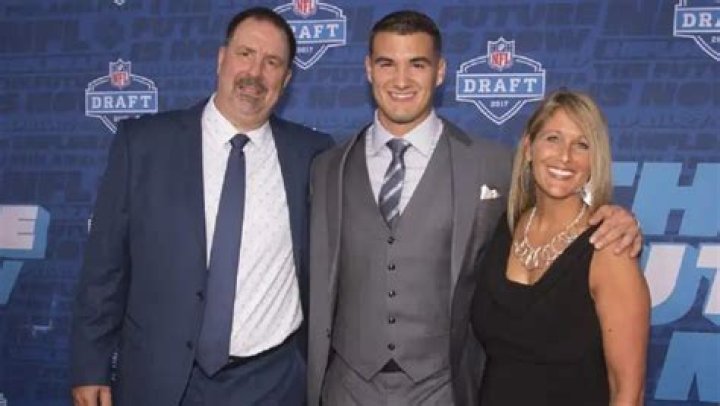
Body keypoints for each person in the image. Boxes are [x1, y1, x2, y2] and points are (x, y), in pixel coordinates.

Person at [306, 10, 641, 406]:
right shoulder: (326, 168)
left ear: (440, 72)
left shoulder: (493, 165)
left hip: (444, 390)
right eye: (386, 63)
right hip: (347, 388)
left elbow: (560, 203)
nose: (401, 80)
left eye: (417, 64)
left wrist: (619, 218)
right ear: (368, 69)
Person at [70, 7, 333, 406]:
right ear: (221, 58)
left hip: (272, 383)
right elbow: (104, 267)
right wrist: (90, 365)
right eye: (245, 54)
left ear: (287, 78)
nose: (255, 73)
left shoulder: (312, 154)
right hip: (160, 378)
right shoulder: (142, 144)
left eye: (272, 62)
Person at [470, 90, 650, 405]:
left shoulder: (608, 249)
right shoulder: (502, 227)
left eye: (582, 145)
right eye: (553, 139)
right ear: (529, 147)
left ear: (594, 161)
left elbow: (628, 392)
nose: (565, 157)